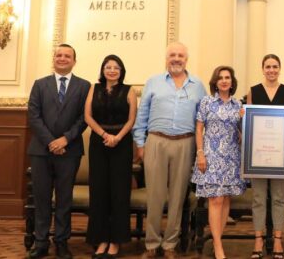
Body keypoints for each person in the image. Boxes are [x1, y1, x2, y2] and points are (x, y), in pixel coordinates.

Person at [133, 42, 206, 259]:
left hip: (185, 143)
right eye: (172, 55)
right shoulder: (153, 82)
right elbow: (142, 115)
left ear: (186, 59)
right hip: (156, 141)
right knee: (154, 196)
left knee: (177, 196)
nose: (176, 58)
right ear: (166, 59)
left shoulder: (198, 85)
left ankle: (170, 245)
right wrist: (140, 143)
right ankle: (152, 243)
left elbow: (203, 119)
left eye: (180, 55)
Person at [27, 43, 91, 259]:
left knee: (64, 199)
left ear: (74, 60)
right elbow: (33, 116)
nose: (62, 58)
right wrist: (51, 142)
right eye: (59, 55)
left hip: (70, 150)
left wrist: (65, 139)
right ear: (53, 59)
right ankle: (41, 242)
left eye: (67, 56)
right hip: (41, 151)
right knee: (42, 198)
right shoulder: (39, 84)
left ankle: (62, 242)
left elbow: (85, 118)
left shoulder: (84, 86)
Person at [84, 55, 137, 258]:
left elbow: (132, 119)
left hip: (122, 144)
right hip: (99, 143)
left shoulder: (129, 90)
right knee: (99, 193)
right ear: (103, 69)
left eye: (116, 67)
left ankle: (116, 241)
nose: (112, 70)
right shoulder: (94, 88)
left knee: (119, 194)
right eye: (108, 67)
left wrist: (117, 137)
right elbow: (87, 116)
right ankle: (101, 240)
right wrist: (105, 135)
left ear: (121, 71)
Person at [192, 66, 247, 259]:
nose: (224, 81)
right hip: (211, 156)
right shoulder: (206, 102)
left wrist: (242, 128)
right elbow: (199, 129)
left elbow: (241, 132)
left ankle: (217, 239)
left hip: (231, 157)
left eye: (227, 78)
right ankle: (217, 245)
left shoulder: (237, 105)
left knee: (225, 200)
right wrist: (200, 153)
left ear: (232, 82)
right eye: (220, 78)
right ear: (215, 81)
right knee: (215, 199)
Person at [246, 54, 284, 259]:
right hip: (257, 155)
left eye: (275, 66)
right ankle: (258, 238)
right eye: (268, 66)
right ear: (262, 68)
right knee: (258, 198)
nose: (271, 70)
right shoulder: (253, 91)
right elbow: (249, 122)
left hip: (280, 156)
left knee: (278, 198)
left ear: (280, 68)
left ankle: (277, 240)